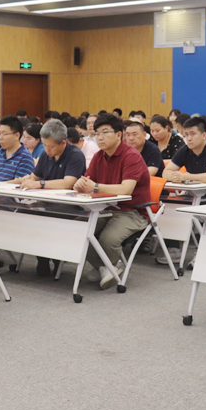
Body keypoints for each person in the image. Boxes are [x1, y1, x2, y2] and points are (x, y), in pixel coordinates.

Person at [73, 114, 150, 290]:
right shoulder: (99, 156)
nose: (100, 137)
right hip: (106, 208)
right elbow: (87, 181)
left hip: (133, 211)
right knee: (78, 230)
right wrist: (80, 184)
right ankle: (106, 268)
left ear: (118, 135)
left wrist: (95, 187)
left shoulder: (131, 156)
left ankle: (106, 267)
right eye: (97, 133)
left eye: (105, 132)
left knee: (108, 239)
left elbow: (126, 189)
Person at [13, 120, 87, 276]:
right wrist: (27, 180)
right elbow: (35, 176)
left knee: (44, 217)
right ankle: (43, 258)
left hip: (70, 205)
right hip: (47, 202)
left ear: (63, 142)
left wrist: (39, 184)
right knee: (24, 214)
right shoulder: (46, 155)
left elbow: (68, 183)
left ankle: (54, 258)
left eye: (51, 146)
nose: (47, 149)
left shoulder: (75, 155)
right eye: (45, 145)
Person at [0, 116, 35, 181]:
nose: (0, 138)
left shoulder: (25, 157)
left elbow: (18, 182)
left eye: (4, 134)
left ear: (17, 136)